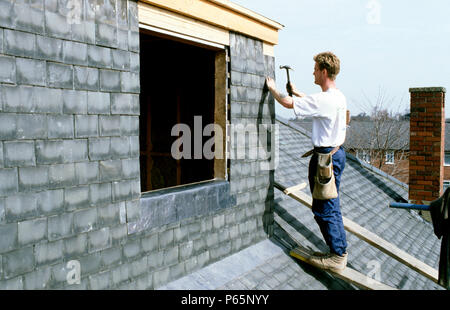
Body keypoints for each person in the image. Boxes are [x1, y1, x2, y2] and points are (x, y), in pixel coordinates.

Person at [266, 52, 348, 272]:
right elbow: (316, 103)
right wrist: (300, 94)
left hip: (325, 160)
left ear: (323, 71)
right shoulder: (337, 96)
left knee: (323, 209)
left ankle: (337, 255)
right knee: (332, 205)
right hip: (336, 155)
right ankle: (339, 250)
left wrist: (273, 88)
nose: (312, 72)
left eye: (315, 69)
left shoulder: (324, 100)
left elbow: (286, 103)